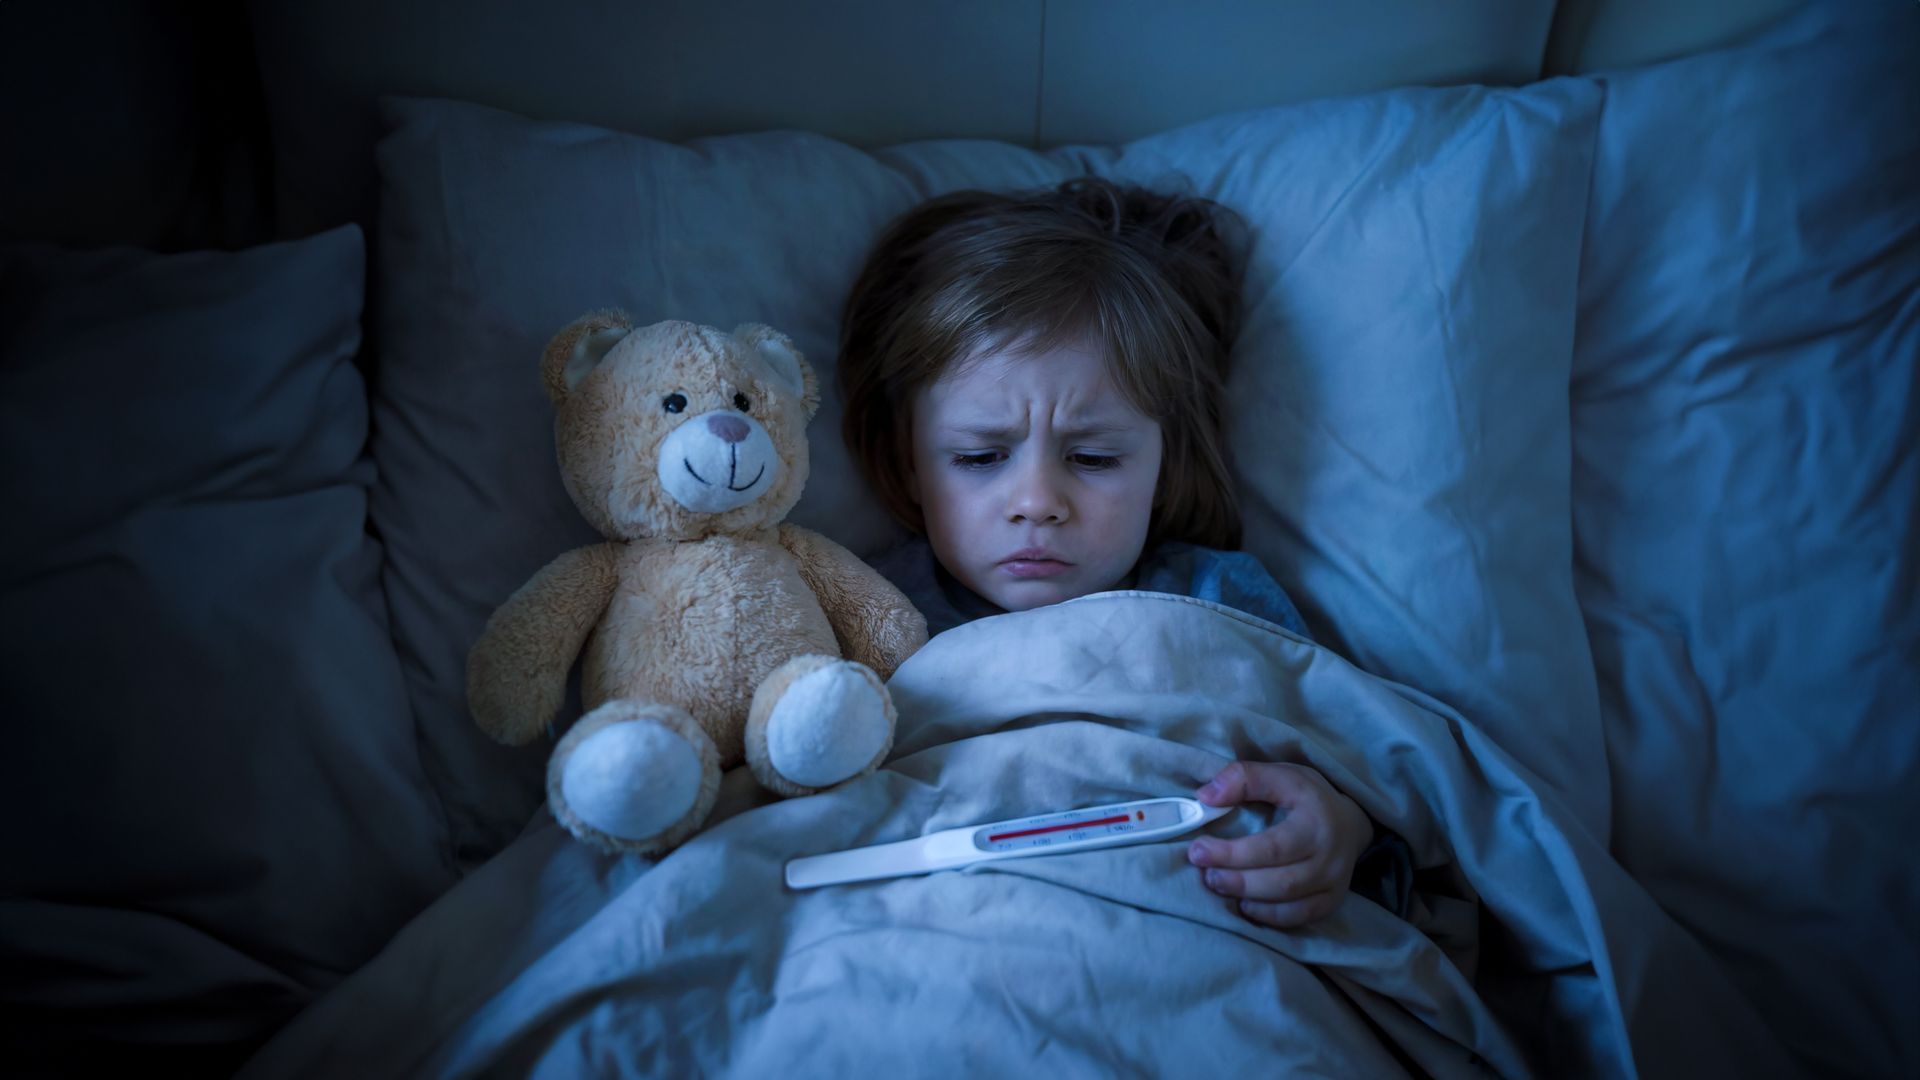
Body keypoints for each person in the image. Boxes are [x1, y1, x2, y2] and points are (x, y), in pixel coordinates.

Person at [837, 176, 1410, 928]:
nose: (1037, 501)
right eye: (980, 458)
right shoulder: (865, 614)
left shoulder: (1218, 601)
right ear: (908, 461)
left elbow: (1349, 767)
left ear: (1165, 465)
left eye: (1096, 458)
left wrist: (1342, 826)